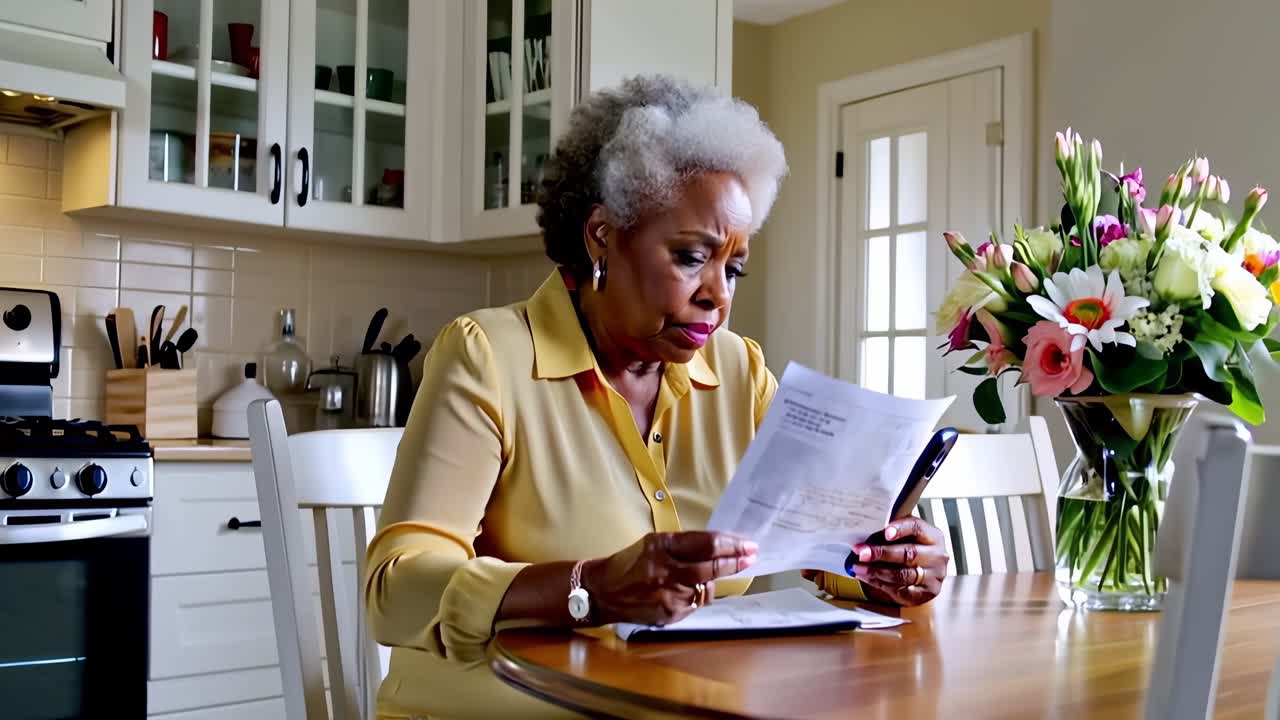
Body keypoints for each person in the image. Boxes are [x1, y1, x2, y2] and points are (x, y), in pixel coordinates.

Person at [364, 75, 950, 719]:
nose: (718, 296)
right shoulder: (487, 356)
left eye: (732, 268)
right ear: (602, 236)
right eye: (690, 256)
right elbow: (393, 592)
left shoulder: (739, 372)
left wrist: (884, 565)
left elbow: (817, 547)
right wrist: (588, 587)